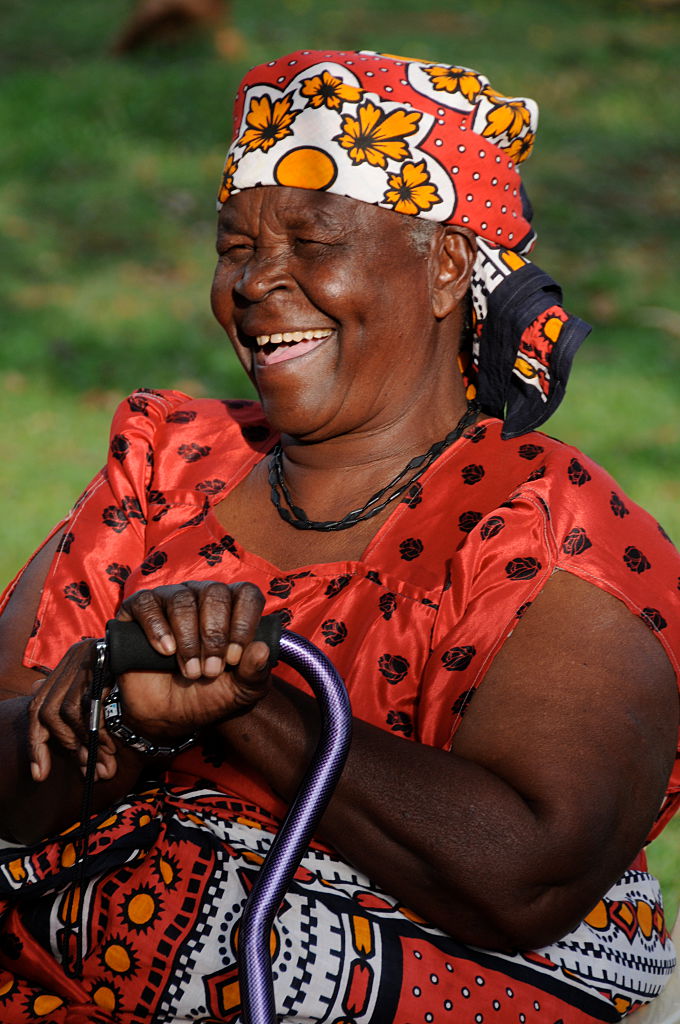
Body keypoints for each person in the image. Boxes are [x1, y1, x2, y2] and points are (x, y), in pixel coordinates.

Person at [0, 49, 677, 1024]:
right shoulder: (164, 470)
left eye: (313, 242)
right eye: (235, 247)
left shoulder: (548, 526)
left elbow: (527, 878)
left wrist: (249, 706)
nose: (255, 282)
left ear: (446, 267)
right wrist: (124, 712)